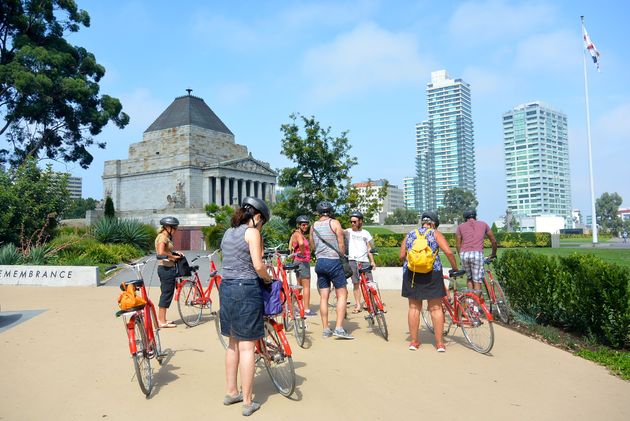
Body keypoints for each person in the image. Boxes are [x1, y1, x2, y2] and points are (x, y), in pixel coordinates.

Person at [219, 197, 273, 416]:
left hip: (227, 287)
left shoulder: (228, 232)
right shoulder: (252, 233)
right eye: (262, 222)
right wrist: (268, 278)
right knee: (247, 347)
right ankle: (248, 401)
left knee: (233, 344)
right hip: (246, 288)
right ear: (257, 216)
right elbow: (258, 265)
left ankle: (232, 392)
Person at [399, 211, 460, 352]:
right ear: (434, 224)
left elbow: (402, 255)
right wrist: (455, 268)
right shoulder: (435, 234)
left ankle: (414, 342)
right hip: (432, 273)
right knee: (436, 308)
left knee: (414, 308)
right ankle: (439, 344)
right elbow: (449, 252)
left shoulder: (410, 234)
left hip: (412, 274)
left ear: (423, 222)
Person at [309, 201, 354, 339]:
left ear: (318, 212)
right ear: (331, 211)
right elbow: (341, 244)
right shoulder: (334, 223)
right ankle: (339, 328)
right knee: (342, 294)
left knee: (324, 297)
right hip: (334, 261)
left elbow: (313, 246)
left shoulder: (313, 226)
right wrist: (342, 256)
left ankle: (326, 329)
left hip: (320, 262)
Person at [455, 209, 497, 292]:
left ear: (465, 218)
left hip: (464, 254)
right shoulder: (483, 224)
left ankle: (470, 302)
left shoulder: (460, 227)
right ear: (475, 216)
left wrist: (461, 256)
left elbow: (458, 244)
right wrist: (493, 254)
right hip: (477, 254)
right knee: (477, 280)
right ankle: (477, 304)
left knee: (469, 278)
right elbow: (494, 241)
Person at [344, 210, 376, 314]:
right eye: (351, 222)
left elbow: (369, 248)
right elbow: (337, 230)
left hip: (364, 261)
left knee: (369, 283)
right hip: (352, 260)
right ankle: (358, 304)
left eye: (355, 221)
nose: (352, 223)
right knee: (356, 283)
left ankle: (371, 303)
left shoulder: (365, 233)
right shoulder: (348, 231)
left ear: (360, 221)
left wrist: (372, 261)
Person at [155, 216, 183, 328]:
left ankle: (163, 319)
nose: (176, 230)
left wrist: (175, 253)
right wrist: (173, 257)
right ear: (167, 227)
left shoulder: (164, 237)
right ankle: (161, 321)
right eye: (174, 228)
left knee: (166, 293)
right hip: (166, 269)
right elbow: (161, 252)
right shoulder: (163, 237)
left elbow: (166, 251)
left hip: (166, 268)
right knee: (166, 294)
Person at [288, 215, 314, 316]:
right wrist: (303, 252)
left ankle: (290, 305)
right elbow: (301, 243)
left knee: (299, 286)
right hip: (302, 262)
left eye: (307, 224)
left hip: (297, 261)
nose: (305, 226)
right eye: (303, 224)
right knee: (306, 286)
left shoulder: (295, 234)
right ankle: (306, 309)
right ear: (298, 225)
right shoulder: (298, 234)